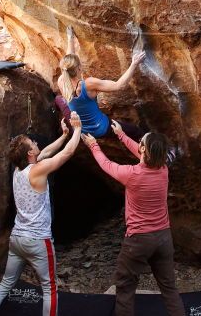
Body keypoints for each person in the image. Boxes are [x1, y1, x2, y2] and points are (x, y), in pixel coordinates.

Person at [0, 112, 83, 316]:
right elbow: (66, 154)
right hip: (37, 240)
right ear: (29, 154)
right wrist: (77, 129)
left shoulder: (20, 169)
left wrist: (63, 135)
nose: (36, 143)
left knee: (5, 285)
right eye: (32, 143)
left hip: (17, 239)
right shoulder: (38, 170)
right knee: (49, 289)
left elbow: (44, 153)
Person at [82, 121, 186, 316]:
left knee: (125, 286)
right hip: (164, 238)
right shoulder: (163, 170)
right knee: (169, 289)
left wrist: (93, 145)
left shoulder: (132, 174)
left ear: (143, 149)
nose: (139, 142)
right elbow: (145, 155)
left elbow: (106, 164)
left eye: (141, 141)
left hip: (139, 240)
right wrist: (121, 135)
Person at [56, 51, 146, 139]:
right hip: (99, 128)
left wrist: (70, 38)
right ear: (79, 68)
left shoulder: (61, 81)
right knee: (135, 131)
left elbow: (69, 61)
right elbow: (119, 85)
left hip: (81, 130)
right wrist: (134, 64)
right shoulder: (88, 84)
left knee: (58, 99)